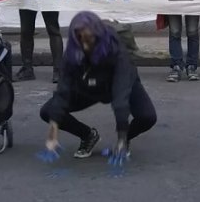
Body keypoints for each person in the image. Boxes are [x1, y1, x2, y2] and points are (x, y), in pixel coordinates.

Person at [39, 11, 157, 159]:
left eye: (89, 39)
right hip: (88, 87)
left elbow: (121, 94)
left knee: (148, 117)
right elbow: (62, 90)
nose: (86, 46)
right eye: (80, 40)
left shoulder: (117, 50)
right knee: (48, 111)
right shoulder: (72, 53)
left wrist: (122, 136)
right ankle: (88, 135)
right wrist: (53, 131)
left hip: (116, 84)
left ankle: (126, 139)